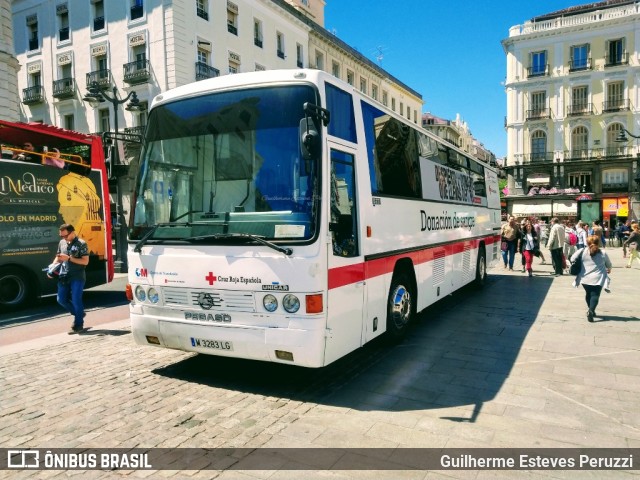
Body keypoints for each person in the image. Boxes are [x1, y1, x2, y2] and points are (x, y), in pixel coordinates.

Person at [52, 224, 89, 333]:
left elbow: (85, 261)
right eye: (61, 236)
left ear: (72, 232)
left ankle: (78, 324)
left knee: (76, 299)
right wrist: (52, 268)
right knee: (61, 299)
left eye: (65, 236)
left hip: (77, 276)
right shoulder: (62, 243)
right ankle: (79, 313)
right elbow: (58, 257)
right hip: (64, 275)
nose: (63, 238)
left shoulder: (81, 244)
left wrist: (69, 258)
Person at [571, 235, 611, 322]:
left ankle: (590, 309)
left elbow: (572, 258)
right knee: (595, 295)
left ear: (587, 243)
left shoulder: (582, 251)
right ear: (598, 242)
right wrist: (609, 268)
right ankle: (591, 310)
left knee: (588, 294)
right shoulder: (603, 252)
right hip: (598, 278)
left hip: (584, 278)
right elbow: (609, 264)